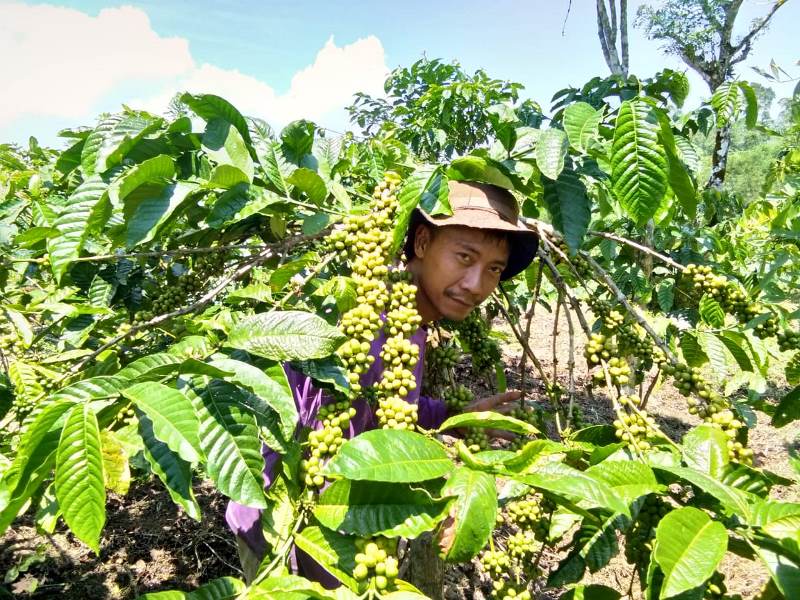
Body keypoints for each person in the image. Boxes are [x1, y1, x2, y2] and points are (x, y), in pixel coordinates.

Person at [226, 179, 539, 582]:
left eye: (493, 269)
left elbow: (383, 406)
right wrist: (438, 497)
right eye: (464, 257)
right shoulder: (371, 321)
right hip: (289, 526)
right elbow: (332, 453)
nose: (477, 285)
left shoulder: (406, 317)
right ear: (422, 243)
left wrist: (454, 414)